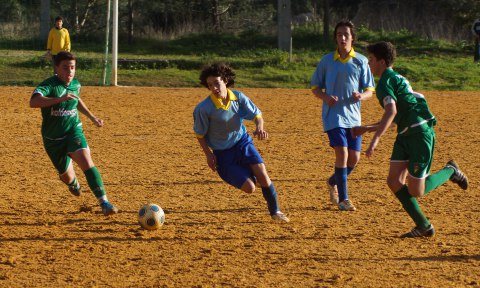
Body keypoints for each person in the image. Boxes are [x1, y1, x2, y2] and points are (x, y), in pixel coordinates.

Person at [354, 41, 468, 237]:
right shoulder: (395, 78)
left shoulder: (384, 83)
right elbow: (396, 115)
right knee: (394, 181)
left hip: (419, 134)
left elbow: (392, 110)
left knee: (417, 191)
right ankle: (424, 226)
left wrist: (376, 138)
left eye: (371, 60)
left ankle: (450, 171)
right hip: (406, 133)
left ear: (381, 62)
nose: (369, 64)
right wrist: (368, 128)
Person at [193, 63, 289, 223]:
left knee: (264, 177)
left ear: (225, 80)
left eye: (216, 83)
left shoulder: (238, 97)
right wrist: (209, 155)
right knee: (250, 188)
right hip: (223, 154)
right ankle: (244, 175)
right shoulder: (203, 109)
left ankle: (275, 212)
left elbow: (257, 115)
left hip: (242, 143)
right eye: (210, 85)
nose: (214, 88)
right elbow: (199, 134)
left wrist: (259, 127)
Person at [30, 51, 118, 216]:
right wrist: (59, 99)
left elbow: (76, 99)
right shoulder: (49, 85)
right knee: (67, 177)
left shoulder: (75, 84)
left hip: (73, 131)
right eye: (65, 68)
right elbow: (33, 102)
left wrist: (92, 117)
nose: (69, 71)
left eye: (72, 67)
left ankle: (104, 203)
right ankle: (73, 183)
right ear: (56, 68)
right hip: (53, 139)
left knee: (86, 160)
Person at [310, 20, 375, 211]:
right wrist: (325, 97)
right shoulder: (327, 61)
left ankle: (333, 181)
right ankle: (344, 200)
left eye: (346, 34)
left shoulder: (361, 61)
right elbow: (315, 87)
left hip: (354, 118)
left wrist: (361, 96)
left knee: (354, 159)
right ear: (335, 38)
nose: (343, 38)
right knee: (342, 153)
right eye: (339, 34)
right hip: (333, 116)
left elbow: (370, 89)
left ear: (352, 37)